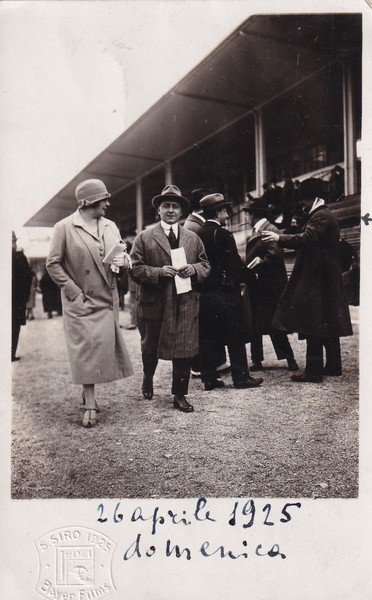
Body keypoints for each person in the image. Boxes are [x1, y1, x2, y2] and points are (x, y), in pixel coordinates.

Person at [46, 178, 133, 427]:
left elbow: (120, 253)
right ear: (90, 202)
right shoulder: (64, 227)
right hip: (81, 299)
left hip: (107, 297)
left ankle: (89, 393)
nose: (108, 203)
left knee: (101, 350)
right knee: (86, 352)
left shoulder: (110, 226)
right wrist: (73, 291)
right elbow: (53, 263)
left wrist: (123, 261)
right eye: (104, 199)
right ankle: (91, 402)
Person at [262, 177, 353, 382]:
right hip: (326, 277)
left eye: (304, 199)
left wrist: (279, 238)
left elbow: (307, 238)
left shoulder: (320, 216)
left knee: (313, 323)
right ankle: (333, 365)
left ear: (314, 198)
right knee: (328, 320)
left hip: (318, 277)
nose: (301, 203)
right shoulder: (324, 214)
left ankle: (313, 371)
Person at [130, 184, 210, 413]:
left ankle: (179, 394)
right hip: (155, 302)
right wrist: (157, 272)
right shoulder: (144, 238)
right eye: (166, 206)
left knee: (184, 349)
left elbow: (206, 265)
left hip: (184, 302)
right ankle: (148, 377)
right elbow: (134, 268)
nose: (171, 210)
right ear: (159, 210)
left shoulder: (193, 238)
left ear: (182, 212)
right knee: (150, 348)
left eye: (175, 206)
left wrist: (193, 269)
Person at [197, 192, 263, 390]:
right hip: (226, 293)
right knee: (235, 336)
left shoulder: (197, 234)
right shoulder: (224, 235)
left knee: (209, 337)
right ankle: (241, 378)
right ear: (219, 212)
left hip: (205, 294)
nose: (227, 215)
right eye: (225, 211)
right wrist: (251, 276)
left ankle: (209, 378)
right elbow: (234, 265)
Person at [243, 199, 298, 372]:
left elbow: (274, 255)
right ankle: (258, 360)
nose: (246, 217)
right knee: (256, 324)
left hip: (269, 286)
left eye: (248, 214)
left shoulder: (270, 229)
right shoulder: (260, 229)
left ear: (253, 214)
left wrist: (258, 263)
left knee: (274, 324)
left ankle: (289, 358)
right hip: (260, 284)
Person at [184, 187, 230, 376]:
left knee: (209, 327)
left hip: (205, 282)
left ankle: (214, 363)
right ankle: (200, 365)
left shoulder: (197, 224)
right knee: (204, 328)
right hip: (202, 284)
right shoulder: (194, 226)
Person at [12, 231, 32, 361]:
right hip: (15, 300)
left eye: (14, 241)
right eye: (13, 241)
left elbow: (27, 276)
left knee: (15, 327)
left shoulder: (20, 257)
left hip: (17, 301)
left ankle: (11, 354)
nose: (14, 244)